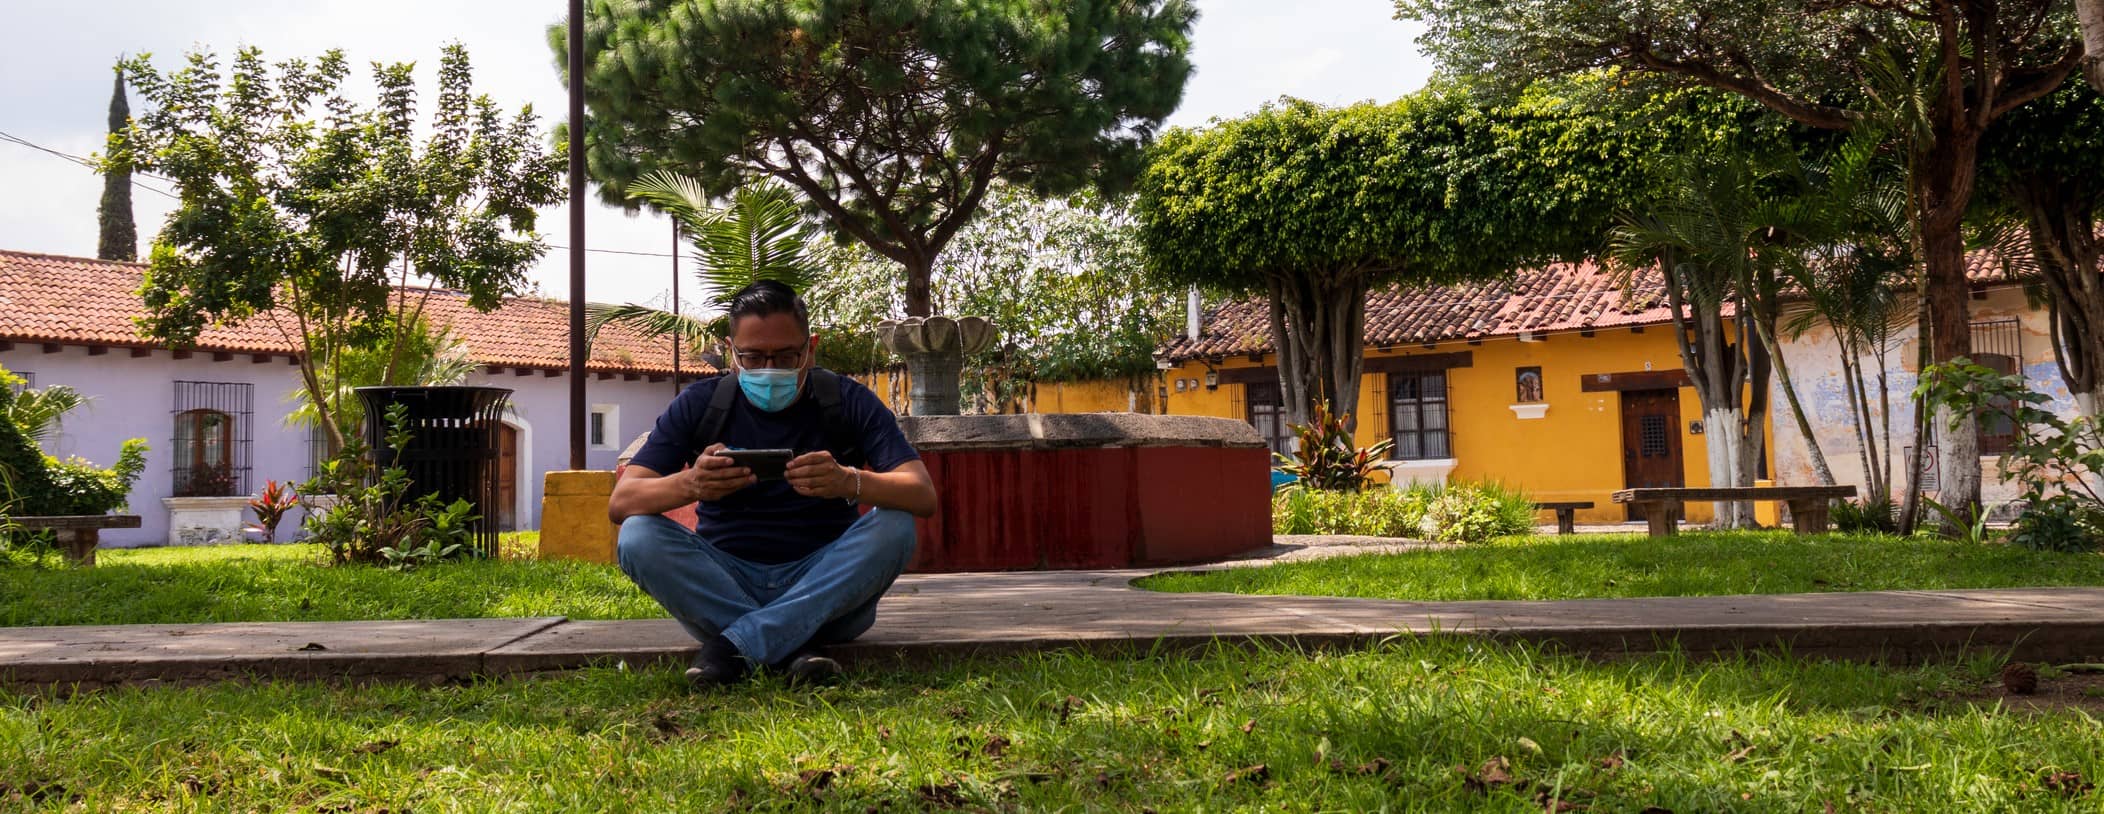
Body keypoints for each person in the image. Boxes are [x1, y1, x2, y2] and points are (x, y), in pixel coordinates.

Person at [609, 280, 937, 687]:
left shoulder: (847, 399)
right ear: (732, 352)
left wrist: (847, 481)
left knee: (895, 525)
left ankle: (732, 647)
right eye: (753, 357)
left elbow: (921, 494)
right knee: (638, 534)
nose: (769, 368)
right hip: (724, 583)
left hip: (826, 588)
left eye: (785, 356)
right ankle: (797, 644)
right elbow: (623, 503)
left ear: (810, 348)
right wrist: (692, 483)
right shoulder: (701, 404)